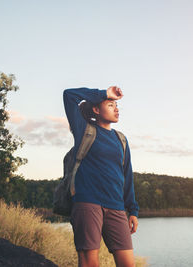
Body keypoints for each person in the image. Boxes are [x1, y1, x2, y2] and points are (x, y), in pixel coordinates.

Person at [63, 85, 139, 267]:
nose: (117, 108)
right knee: (90, 263)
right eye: (111, 105)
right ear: (96, 109)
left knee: (128, 263)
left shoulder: (121, 139)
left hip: (116, 206)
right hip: (88, 203)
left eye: (116, 105)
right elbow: (69, 95)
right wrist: (104, 94)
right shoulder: (84, 131)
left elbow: (127, 174)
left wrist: (132, 209)